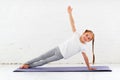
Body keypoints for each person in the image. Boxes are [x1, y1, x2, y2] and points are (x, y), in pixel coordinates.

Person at [20, 6, 95, 70]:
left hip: (61, 55)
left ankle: (28, 66)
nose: (87, 38)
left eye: (89, 38)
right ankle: (26, 63)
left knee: (45, 61)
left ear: (89, 41)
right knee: (41, 56)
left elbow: (85, 58)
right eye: (87, 35)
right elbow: (72, 23)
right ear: (83, 33)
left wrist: (89, 67)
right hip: (58, 48)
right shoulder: (77, 34)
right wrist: (70, 13)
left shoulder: (83, 47)